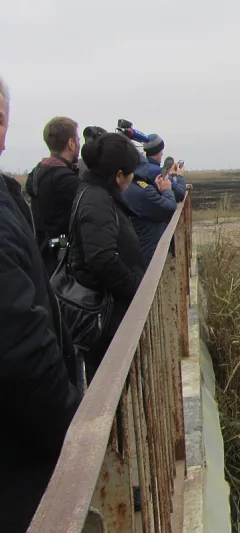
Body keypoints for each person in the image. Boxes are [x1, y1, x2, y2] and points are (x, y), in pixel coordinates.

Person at [0, 75, 81, 533]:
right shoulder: (67, 183)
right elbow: (20, 350)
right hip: (20, 467)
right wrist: (74, 434)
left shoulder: (27, 183)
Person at [70, 133, 145, 381]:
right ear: (118, 175)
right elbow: (102, 259)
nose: (133, 178)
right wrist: (136, 289)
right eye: (131, 173)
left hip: (109, 312)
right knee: (112, 381)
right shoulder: (97, 200)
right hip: (106, 317)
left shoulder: (97, 194)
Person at [25, 116, 82, 276]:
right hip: (62, 264)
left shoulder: (37, 172)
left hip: (43, 257)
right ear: (71, 143)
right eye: (78, 140)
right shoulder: (65, 180)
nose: (79, 144)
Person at [123, 139, 177, 267]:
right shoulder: (140, 189)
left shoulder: (131, 187)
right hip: (146, 255)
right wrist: (167, 189)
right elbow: (169, 207)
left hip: (137, 251)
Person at [142, 133, 186, 202]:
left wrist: (170, 175)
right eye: (161, 150)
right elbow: (180, 194)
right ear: (158, 151)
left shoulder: (140, 168)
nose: (162, 154)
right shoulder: (159, 172)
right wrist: (180, 176)